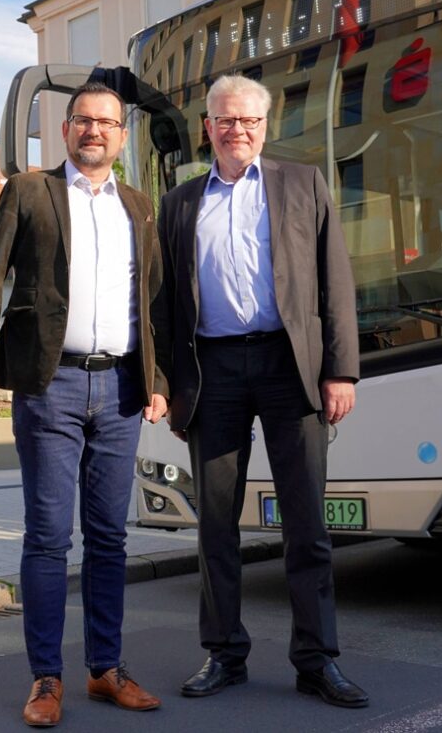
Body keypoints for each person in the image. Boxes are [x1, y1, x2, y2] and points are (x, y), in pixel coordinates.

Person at [0, 81, 168, 727]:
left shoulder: (138, 206)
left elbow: (153, 301)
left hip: (124, 390)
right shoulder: (29, 190)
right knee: (50, 537)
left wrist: (160, 380)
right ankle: (46, 677)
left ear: (121, 136)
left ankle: (105, 668)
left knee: (109, 536)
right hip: (52, 385)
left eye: (106, 122)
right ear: (67, 128)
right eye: (83, 120)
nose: (94, 130)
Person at [154, 74, 368, 708]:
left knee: (306, 523)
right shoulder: (180, 203)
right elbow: (165, 304)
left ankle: (316, 660)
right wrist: (166, 385)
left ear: (265, 126)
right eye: (225, 120)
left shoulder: (301, 184)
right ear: (208, 128)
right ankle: (224, 653)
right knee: (215, 523)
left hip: (289, 365)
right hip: (211, 372)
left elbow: (336, 280)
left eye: (248, 120)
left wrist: (341, 370)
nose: (236, 129)